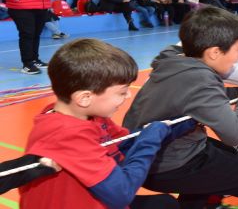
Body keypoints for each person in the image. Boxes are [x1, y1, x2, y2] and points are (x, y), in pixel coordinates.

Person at [123, 7, 238, 209]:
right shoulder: (200, 79)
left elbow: (202, 99)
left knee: (230, 157)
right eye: (237, 51)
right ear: (215, 52)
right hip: (168, 164)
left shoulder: (176, 62)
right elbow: (234, 133)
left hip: (149, 154)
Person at [19, 39, 190, 209]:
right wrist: (150, 139)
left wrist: (170, 127)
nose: (128, 96)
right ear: (85, 98)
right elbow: (122, 193)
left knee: (164, 204)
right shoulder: (66, 133)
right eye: (122, 92)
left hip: (91, 199)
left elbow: (124, 144)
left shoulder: (89, 115)